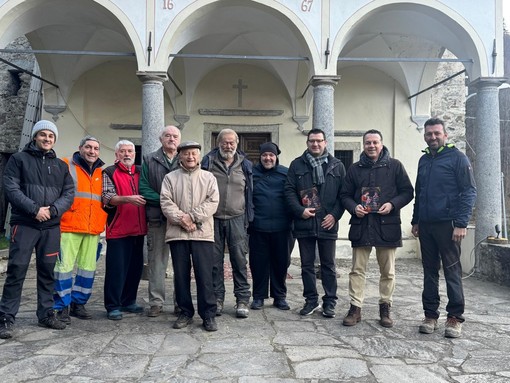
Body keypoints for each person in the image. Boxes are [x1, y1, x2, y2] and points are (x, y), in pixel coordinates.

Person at [0, 120, 74, 339]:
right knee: (16, 271)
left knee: (47, 272)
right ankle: (5, 317)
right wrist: (34, 210)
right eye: (43, 135)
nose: (47, 139)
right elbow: (11, 188)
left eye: (51, 136)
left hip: (50, 227)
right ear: (35, 137)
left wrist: (51, 211)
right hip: (25, 224)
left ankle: (46, 313)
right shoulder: (18, 159)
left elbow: (69, 194)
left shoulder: (61, 166)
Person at [340, 129, 414, 328]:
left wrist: (392, 204)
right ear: (363, 145)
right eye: (368, 143)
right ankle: (355, 309)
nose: (371, 146)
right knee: (356, 270)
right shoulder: (354, 169)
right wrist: (354, 207)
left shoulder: (395, 166)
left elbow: (408, 192)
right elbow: (344, 195)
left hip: (386, 226)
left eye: (375, 142)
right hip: (361, 225)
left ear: (381, 144)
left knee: (388, 271)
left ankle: (385, 307)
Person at [411, 117, 476, 338]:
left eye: (437, 133)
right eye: (429, 134)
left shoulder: (458, 158)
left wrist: (461, 223)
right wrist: (415, 220)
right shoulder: (424, 160)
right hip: (426, 225)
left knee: (452, 271)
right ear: (425, 136)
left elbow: (469, 192)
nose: (433, 137)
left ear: (445, 135)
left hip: (449, 226)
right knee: (429, 271)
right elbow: (419, 193)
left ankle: (455, 317)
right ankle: (430, 315)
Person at [285, 128, 345, 318]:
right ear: (307, 143)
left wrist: (335, 215)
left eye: (319, 141)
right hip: (305, 222)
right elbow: (288, 191)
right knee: (307, 265)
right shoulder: (297, 165)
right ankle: (311, 300)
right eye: (312, 141)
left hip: (327, 222)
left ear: (325, 142)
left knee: (328, 265)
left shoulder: (337, 166)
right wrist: (299, 210)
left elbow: (344, 195)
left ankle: (330, 302)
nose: (315, 144)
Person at [160, 141, 220, 331]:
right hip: (178, 234)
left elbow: (213, 201)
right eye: (186, 153)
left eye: (194, 153)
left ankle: (208, 314)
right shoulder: (170, 178)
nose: (190, 157)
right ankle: (185, 312)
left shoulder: (208, 177)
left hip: (202, 233)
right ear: (180, 156)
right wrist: (181, 219)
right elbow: (165, 202)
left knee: (204, 276)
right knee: (181, 276)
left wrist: (192, 217)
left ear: (199, 156)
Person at [54, 136, 108, 324]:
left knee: (88, 269)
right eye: (88, 147)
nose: (92, 151)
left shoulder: (102, 171)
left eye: (95, 148)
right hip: (69, 225)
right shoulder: (65, 164)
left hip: (93, 228)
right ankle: (61, 306)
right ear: (80, 148)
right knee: (63, 268)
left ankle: (79, 303)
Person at [201, 129, 253, 318]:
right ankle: (217, 299)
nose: (228, 146)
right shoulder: (208, 162)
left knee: (239, 260)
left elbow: (250, 192)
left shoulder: (245, 165)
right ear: (218, 143)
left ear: (237, 144)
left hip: (237, 218)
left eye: (231, 142)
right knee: (214, 262)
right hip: (212, 219)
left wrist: (250, 216)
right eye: (224, 142)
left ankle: (242, 299)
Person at [102, 140, 147, 320]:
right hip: (119, 229)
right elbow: (107, 197)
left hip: (139, 228)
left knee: (134, 268)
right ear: (117, 154)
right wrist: (127, 199)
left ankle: (129, 301)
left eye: (130, 151)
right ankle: (113, 305)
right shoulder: (109, 172)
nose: (127, 154)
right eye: (123, 151)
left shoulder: (140, 171)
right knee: (116, 269)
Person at [139, 125, 181, 317]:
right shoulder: (149, 159)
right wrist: (167, 203)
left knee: (181, 262)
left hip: (180, 220)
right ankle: (156, 302)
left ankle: (181, 301)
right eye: (167, 136)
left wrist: (177, 209)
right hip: (157, 218)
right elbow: (144, 189)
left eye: (175, 136)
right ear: (160, 139)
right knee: (157, 262)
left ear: (179, 140)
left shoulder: (186, 158)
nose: (171, 139)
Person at [249, 142, 292, 311]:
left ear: (276, 157)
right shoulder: (251, 173)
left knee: (281, 263)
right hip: (258, 227)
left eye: (271, 155)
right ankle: (258, 297)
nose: (268, 158)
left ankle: (279, 296)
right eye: (264, 155)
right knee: (258, 263)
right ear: (260, 157)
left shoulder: (286, 173)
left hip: (282, 227)